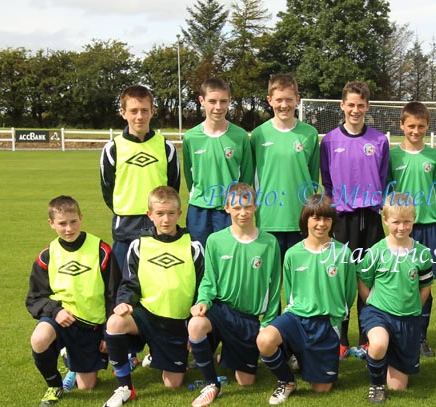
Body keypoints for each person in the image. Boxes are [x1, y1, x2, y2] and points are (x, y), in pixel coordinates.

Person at [101, 186, 204, 407]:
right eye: (159, 214)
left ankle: (159, 355)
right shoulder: (139, 245)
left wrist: (192, 323)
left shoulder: (193, 246)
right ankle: (124, 387)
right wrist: (125, 301)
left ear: (180, 213)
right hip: (146, 315)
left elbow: (201, 287)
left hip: (176, 322)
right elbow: (130, 282)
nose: (165, 219)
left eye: (170, 213)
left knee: (172, 384)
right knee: (115, 323)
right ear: (150, 215)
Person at [187, 183, 282, 407]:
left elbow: (276, 287)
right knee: (196, 325)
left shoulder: (269, 243)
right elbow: (209, 280)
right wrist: (203, 301)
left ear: (256, 207)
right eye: (237, 207)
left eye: (248, 206)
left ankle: (226, 357)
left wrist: (267, 323)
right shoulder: (215, 241)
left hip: (248, 319)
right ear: (227, 208)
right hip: (221, 310)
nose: (243, 212)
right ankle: (211, 384)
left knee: (246, 381)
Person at [256, 194, 357, 405]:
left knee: (321, 389)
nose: (321, 224)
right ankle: (287, 381)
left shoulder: (343, 253)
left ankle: (304, 357)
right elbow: (291, 290)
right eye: (315, 218)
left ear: (332, 221)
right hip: (297, 317)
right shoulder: (293, 253)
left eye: (326, 219)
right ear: (306, 220)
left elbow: (349, 292)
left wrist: (336, 318)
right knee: (264, 340)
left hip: (326, 323)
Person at [26, 196, 119, 407]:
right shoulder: (47, 256)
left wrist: (107, 332)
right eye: (62, 223)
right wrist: (55, 310)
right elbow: (34, 298)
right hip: (61, 320)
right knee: (39, 338)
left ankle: (71, 360)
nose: (69, 228)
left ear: (81, 218)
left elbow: (113, 294)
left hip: (90, 326)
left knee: (86, 386)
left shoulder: (101, 250)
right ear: (51, 224)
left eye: (73, 221)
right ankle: (54, 385)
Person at [320, 81, 389, 358]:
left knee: (370, 279)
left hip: (370, 219)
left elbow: (384, 178)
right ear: (342, 106)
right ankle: (340, 337)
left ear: (367, 107)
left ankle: (366, 336)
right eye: (351, 104)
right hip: (342, 219)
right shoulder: (329, 141)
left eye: (361, 105)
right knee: (341, 278)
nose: (356, 110)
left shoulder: (379, 140)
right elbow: (326, 180)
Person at [357, 195, 433, 403]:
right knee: (379, 343)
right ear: (385, 220)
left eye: (407, 221)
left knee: (399, 386)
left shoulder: (422, 254)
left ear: (414, 219)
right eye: (396, 221)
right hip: (379, 313)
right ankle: (376, 385)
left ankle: (379, 358)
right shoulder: (376, 252)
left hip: (407, 318)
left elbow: (425, 286)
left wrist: (415, 306)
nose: (402, 227)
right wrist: (371, 303)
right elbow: (363, 281)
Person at [387, 101, 436, 357]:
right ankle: (400, 332)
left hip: (429, 227)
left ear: (427, 127)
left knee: (425, 284)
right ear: (402, 125)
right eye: (411, 125)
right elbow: (386, 193)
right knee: (400, 281)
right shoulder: (391, 155)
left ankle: (421, 336)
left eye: (421, 126)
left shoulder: (434, 156)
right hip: (401, 229)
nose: (416, 130)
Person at [100, 85, 181, 271]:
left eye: (144, 110)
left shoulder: (166, 147)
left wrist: (160, 212)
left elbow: (173, 186)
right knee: (122, 281)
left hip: (158, 221)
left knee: (155, 278)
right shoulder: (113, 148)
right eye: (133, 111)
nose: (139, 116)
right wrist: (125, 207)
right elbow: (107, 187)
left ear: (152, 112)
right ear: (123, 113)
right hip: (126, 224)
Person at [251, 73, 320, 258]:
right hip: (268, 218)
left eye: (289, 99)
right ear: (269, 100)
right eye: (279, 100)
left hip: (300, 219)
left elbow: (313, 179)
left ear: (297, 99)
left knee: (300, 279)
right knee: (268, 280)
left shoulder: (310, 134)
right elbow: (251, 178)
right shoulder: (259, 135)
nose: (284, 105)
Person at [182, 78, 254, 246]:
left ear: (230, 101)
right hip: (199, 209)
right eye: (212, 101)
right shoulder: (191, 137)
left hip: (229, 210)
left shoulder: (240, 136)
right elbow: (189, 174)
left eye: (223, 101)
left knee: (229, 259)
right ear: (202, 101)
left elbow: (247, 176)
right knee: (200, 259)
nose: (218, 107)